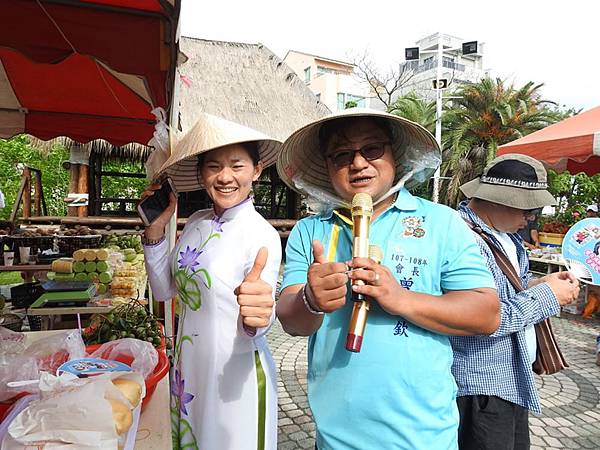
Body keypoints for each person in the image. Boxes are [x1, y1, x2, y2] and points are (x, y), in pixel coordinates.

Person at [276, 108, 500, 449]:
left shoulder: (442, 222)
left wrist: (401, 299)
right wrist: (310, 299)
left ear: (397, 154)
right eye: (341, 154)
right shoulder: (310, 231)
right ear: (327, 166)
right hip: (335, 439)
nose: (358, 163)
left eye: (372, 149)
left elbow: (486, 314)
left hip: (424, 437)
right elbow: (291, 321)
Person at [142, 113, 282, 450]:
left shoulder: (261, 235)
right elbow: (164, 290)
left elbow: (259, 320)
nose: (225, 177)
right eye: (214, 166)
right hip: (189, 371)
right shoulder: (196, 223)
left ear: (257, 170)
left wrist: (259, 318)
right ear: (202, 173)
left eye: (237, 165)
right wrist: (155, 230)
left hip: (236, 376)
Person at [452, 154, 580, 450]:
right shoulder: (463, 241)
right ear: (500, 199)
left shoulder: (504, 235)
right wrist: (548, 296)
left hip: (510, 379)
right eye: (530, 209)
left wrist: (540, 284)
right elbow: (483, 318)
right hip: (481, 385)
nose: (532, 219)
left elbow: (508, 291)